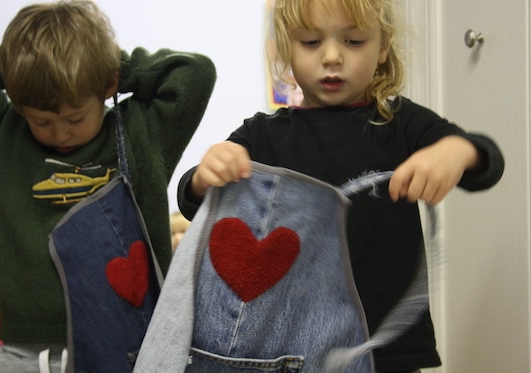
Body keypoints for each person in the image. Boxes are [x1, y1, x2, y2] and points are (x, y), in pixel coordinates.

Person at [176, 0, 504, 372]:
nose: (332, 56)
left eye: (353, 41)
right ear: (286, 49)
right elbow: (192, 200)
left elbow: (487, 162)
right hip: (294, 348)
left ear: (382, 48)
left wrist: (456, 151)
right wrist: (205, 177)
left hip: (388, 347)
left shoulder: (399, 123)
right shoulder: (262, 136)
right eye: (311, 42)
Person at [0, 0, 216, 371]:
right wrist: (23, 72)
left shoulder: (141, 135)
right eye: (41, 121)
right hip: (27, 353)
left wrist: (104, 66)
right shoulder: (5, 138)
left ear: (107, 86)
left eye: (75, 117)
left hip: (130, 348)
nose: (60, 133)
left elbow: (195, 73)